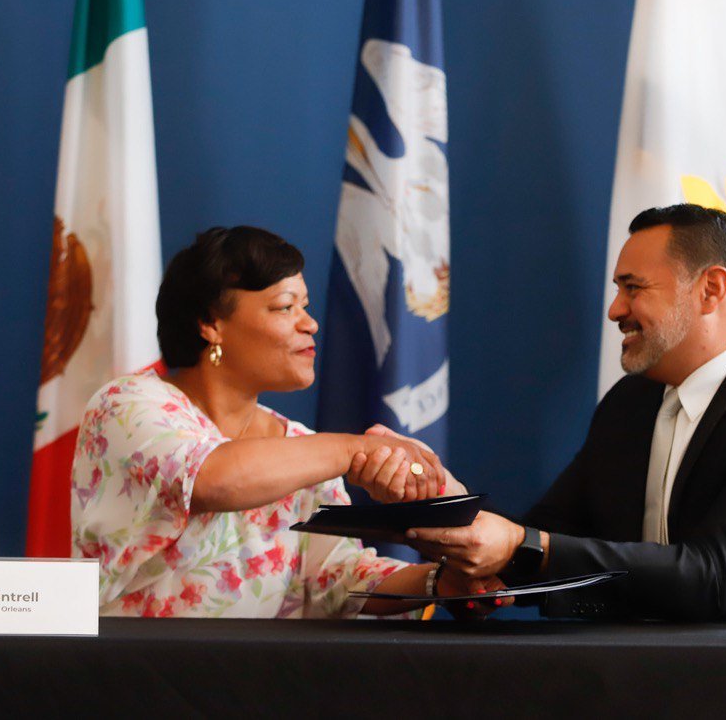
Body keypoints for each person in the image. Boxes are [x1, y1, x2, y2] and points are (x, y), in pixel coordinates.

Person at [403, 204, 726, 620]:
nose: (614, 310)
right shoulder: (630, 404)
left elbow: (719, 578)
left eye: (633, 288)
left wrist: (519, 546)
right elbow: (549, 535)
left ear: (710, 289)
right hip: (639, 674)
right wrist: (446, 501)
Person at [72, 225, 482, 618]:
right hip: (137, 664)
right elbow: (213, 478)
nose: (310, 324)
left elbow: (335, 579)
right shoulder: (126, 404)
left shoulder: (302, 445)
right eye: (286, 307)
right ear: (211, 323)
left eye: (306, 306)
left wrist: (440, 583)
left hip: (262, 667)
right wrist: (358, 448)